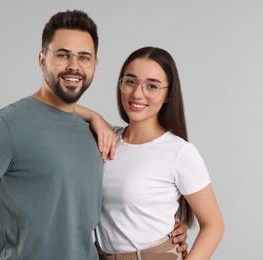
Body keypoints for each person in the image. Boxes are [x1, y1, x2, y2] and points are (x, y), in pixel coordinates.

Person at [0, 10, 188, 260]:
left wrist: (166, 229)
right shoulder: (4, 126)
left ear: (95, 65)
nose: (74, 67)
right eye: (63, 55)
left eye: (84, 57)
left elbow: (128, 200)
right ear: (42, 59)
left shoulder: (100, 134)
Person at [77, 47, 224, 259]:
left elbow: (214, 225)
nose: (138, 93)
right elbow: (56, 104)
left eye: (152, 86)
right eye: (130, 81)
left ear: (168, 95)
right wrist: (94, 116)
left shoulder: (179, 152)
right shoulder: (106, 138)